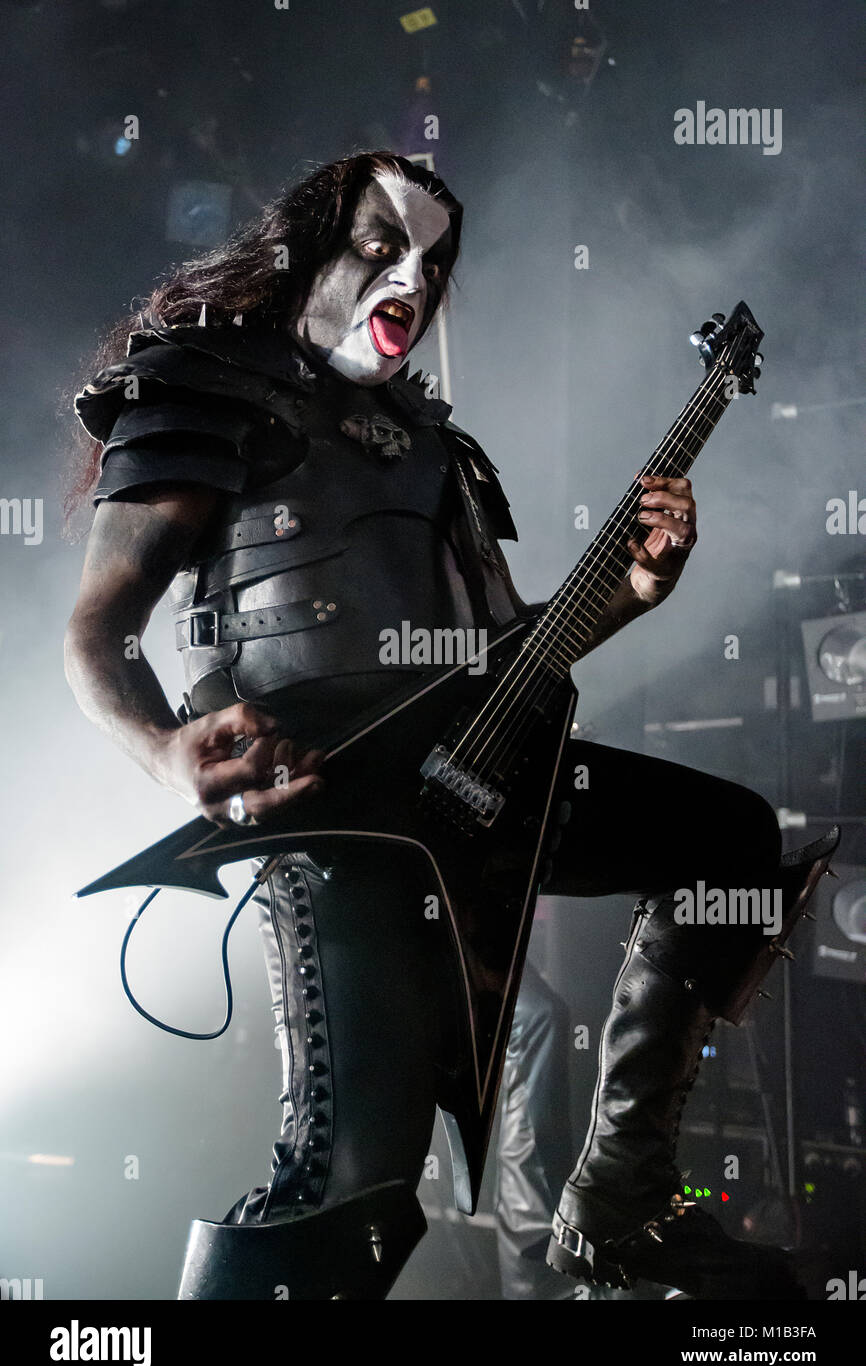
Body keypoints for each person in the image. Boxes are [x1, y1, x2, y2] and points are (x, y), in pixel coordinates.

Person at [65, 150, 836, 1301]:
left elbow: (495, 662)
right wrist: (167, 748)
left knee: (725, 837)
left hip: (478, 783)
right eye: (382, 248)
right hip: (337, 801)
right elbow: (99, 625)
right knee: (354, 1183)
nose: (412, 282)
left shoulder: (432, 444)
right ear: (308, 253)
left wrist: (622, 598)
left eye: (432, 263)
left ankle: (617, 1206)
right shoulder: (208, 381)